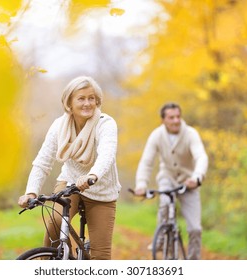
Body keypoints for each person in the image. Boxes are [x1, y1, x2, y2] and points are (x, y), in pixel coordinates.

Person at [18, 76, 121, 260]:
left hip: (101, 190)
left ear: (97, 101)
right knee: (55, 224)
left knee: (101, 255)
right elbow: (43, 162)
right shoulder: (59, 126)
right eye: (81, 98)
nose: (87, 103)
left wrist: (92, 175)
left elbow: (107, 154)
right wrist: (31, 192)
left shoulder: (106, 123)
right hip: (70, 182)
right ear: (69, 103)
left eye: (91, 98)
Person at [134, 102, 208, 260]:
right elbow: (147, 162)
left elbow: (201, 156)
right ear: (163, 120)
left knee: (195, 229)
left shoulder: (190, 133)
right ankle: (161, 239)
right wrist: (141, 184)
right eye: (171, 117)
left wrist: (197, 177)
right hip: (167, 179)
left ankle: (194, 262)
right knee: (165, 204)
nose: (176, 120)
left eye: (178, 117)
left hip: (189, 182)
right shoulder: (156, 135)